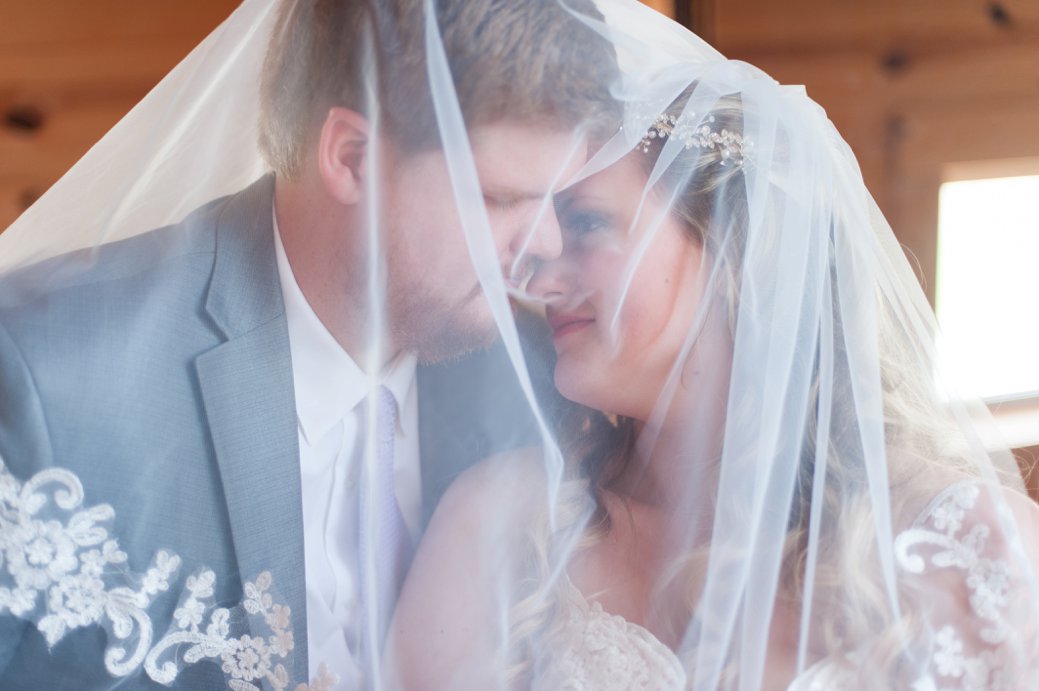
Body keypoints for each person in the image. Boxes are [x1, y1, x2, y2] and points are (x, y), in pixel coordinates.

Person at [388, 4, 1039, 689]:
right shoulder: (502, 520)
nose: (536, 273)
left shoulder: (970, 545)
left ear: (734, 250)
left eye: (585, 223)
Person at [0, 0, 617, 688]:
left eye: (559, 203)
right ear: (350, 159)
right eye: (501, 198)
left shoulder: (542, 384)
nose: (547, 248)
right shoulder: (43, 379)